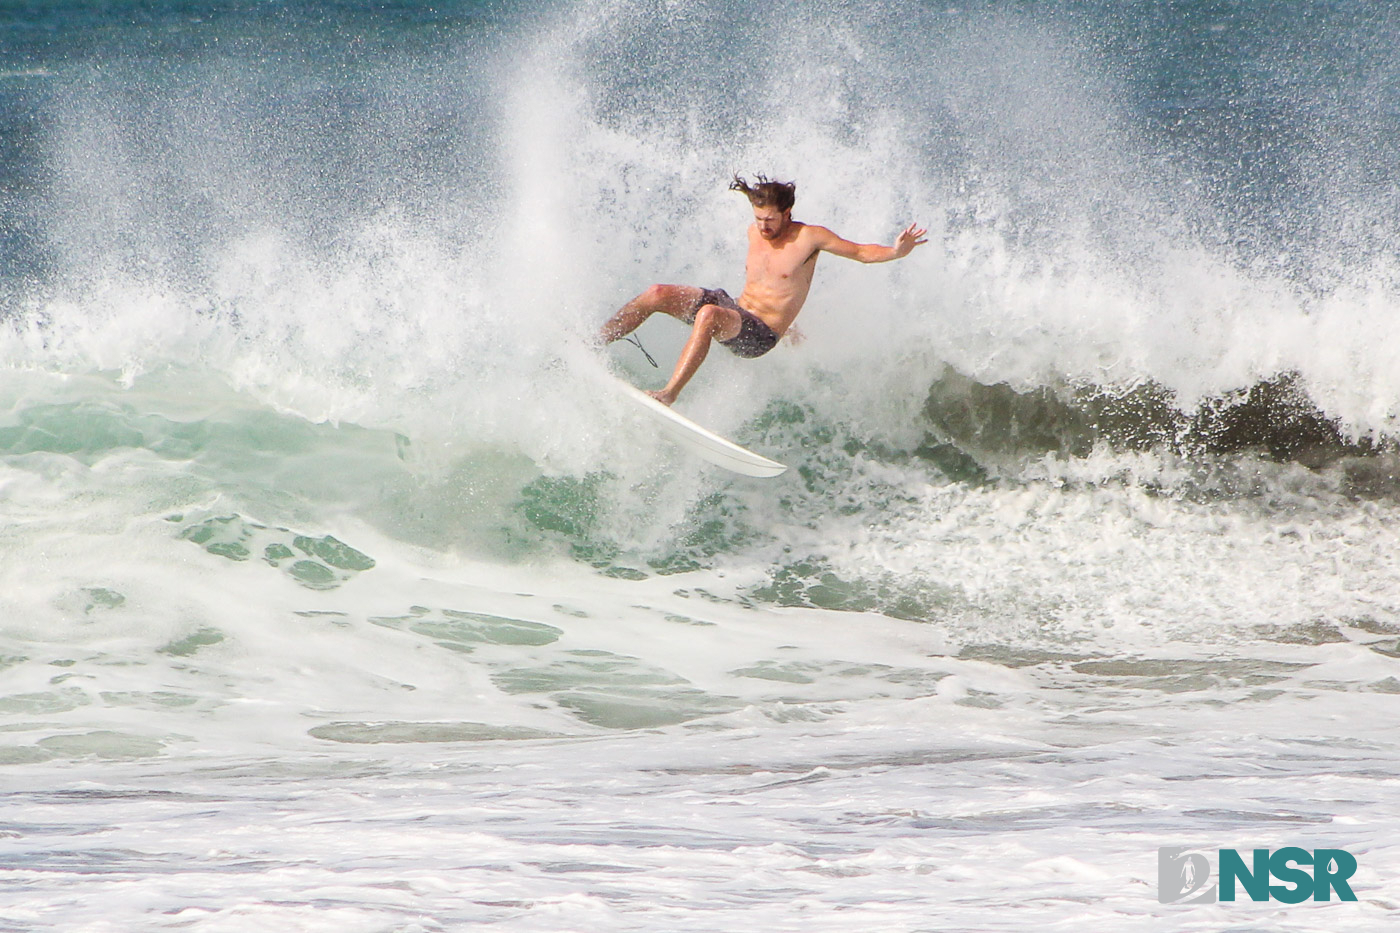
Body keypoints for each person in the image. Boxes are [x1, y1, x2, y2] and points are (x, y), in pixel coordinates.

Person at [597, 174, 927, 405]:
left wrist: (896, 252)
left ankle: (668, 394)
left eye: (769, 220)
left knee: (709, 314)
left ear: (787, 214)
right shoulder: (754, 233)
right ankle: (595, 342)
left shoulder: (809, 238)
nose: (762, 226)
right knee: (656, 292)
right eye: (757, 218)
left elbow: (859, 252)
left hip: (759, 335)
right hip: (737, 311)